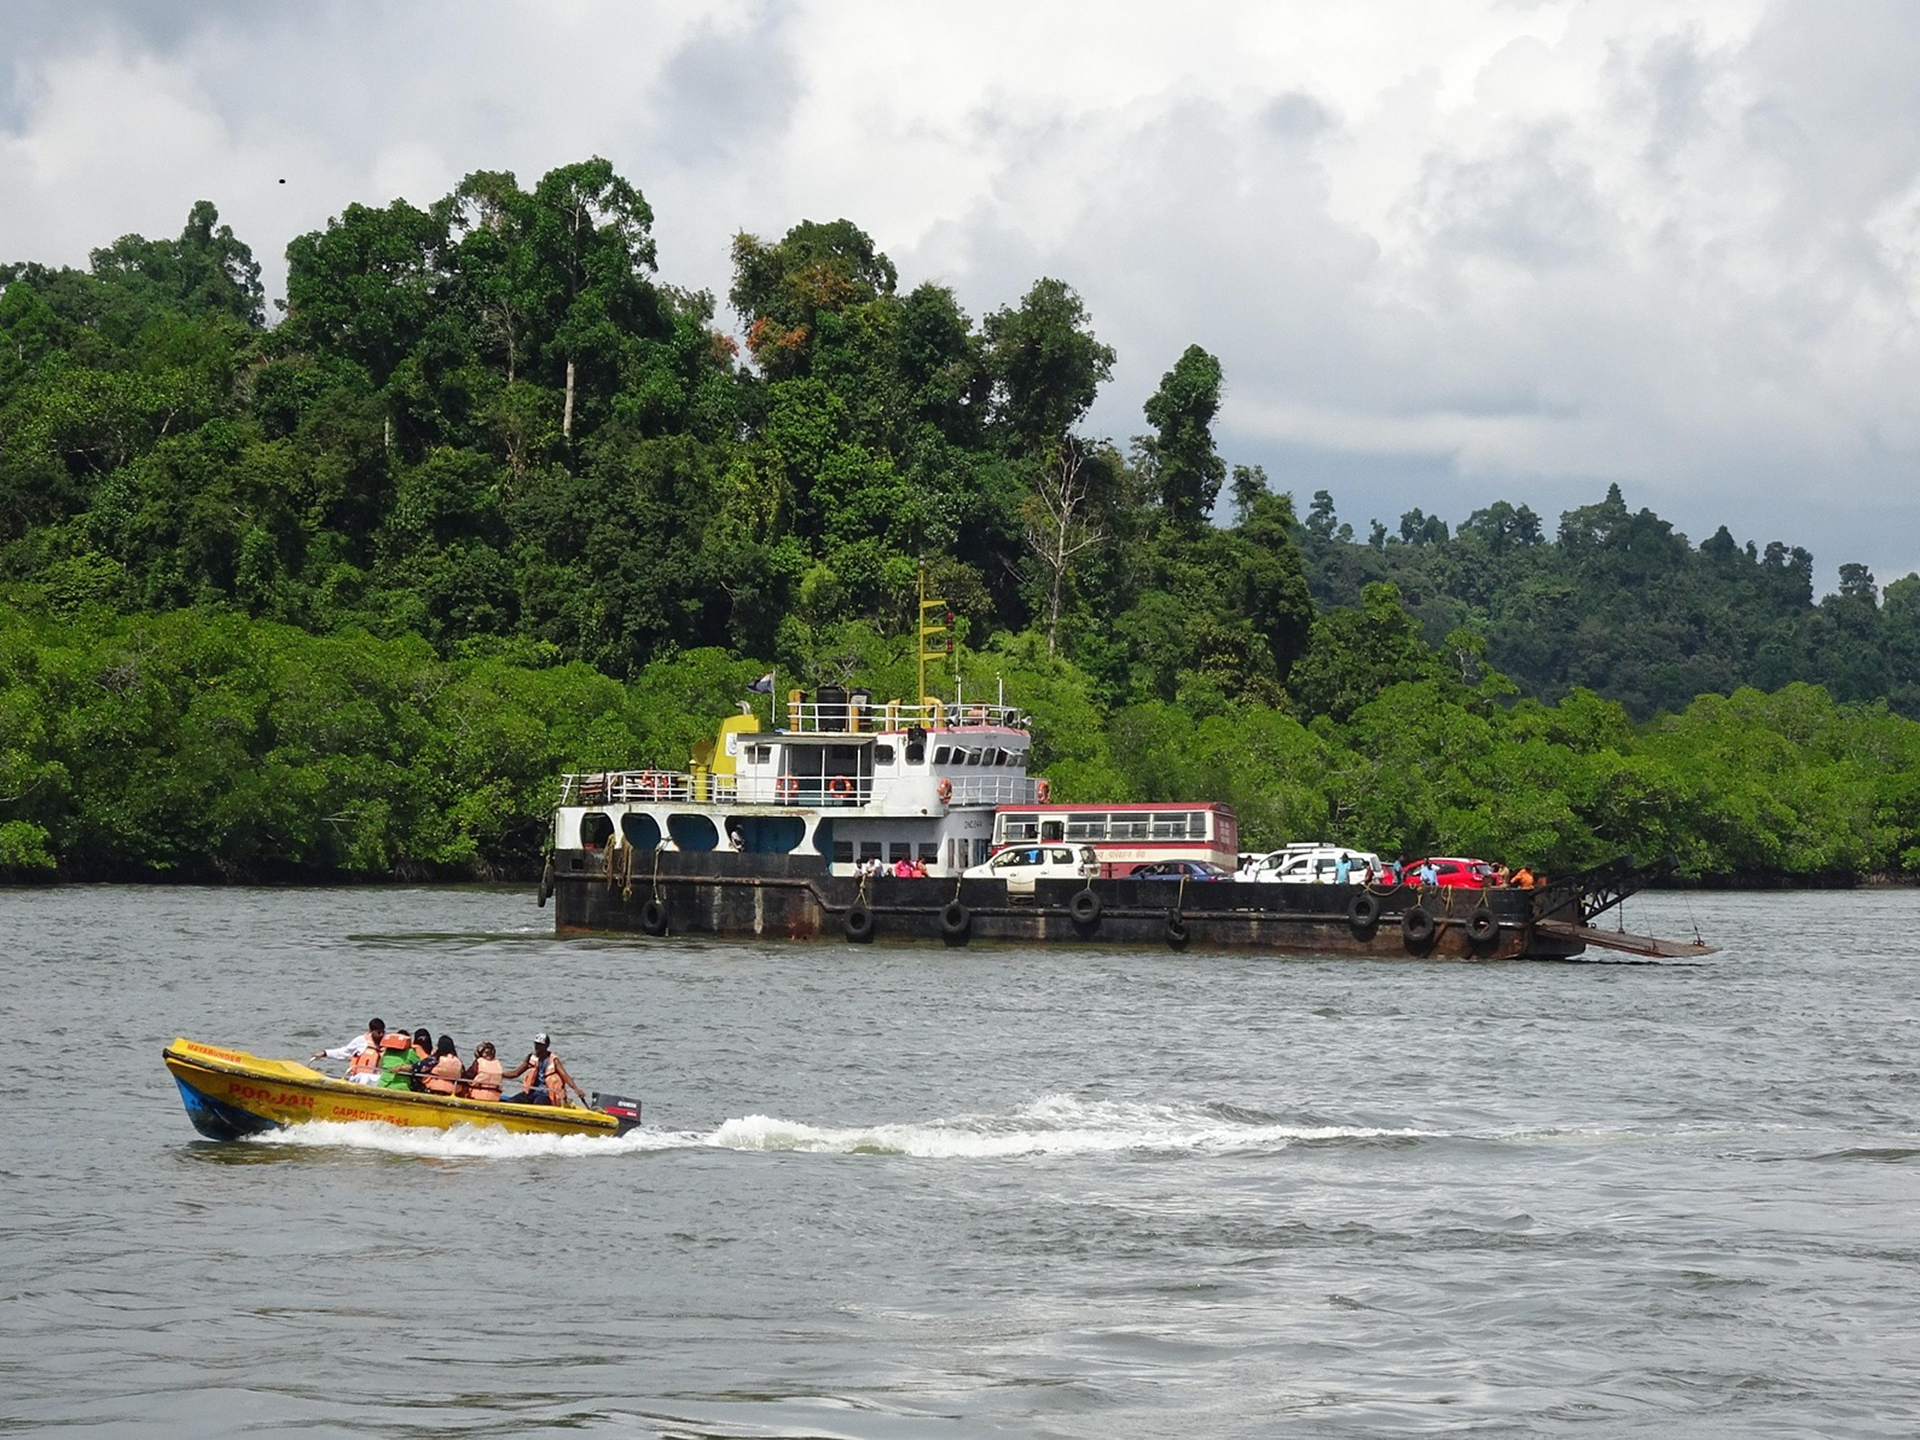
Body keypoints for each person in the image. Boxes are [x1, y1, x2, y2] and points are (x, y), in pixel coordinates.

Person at [503, 1033, 586, 1107]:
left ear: (546, 1046)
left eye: (540, 1045)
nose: (537, 1048)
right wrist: (499, 1074)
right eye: (536, 1045)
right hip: (531, 1092)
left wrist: (576, 1089)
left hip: (545, 1094)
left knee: (538, 1104)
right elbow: (515, 1073)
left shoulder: (554, 1060)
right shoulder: (530, 1058)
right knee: (512, 1102)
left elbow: (565, 1076)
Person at [314, 1018, 387, 1084]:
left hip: (374, 1078)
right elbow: (345, 1052)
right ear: (371, 1031)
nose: (381, 1035)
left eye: (383, 1032)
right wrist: (325, 1053)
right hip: (358, 1077)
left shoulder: (385, 1045)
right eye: (379, 1032)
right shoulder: (361, 1040)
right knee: (365, 1077)